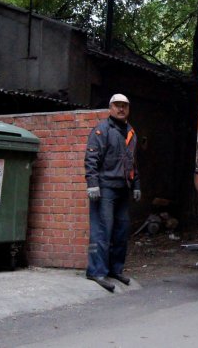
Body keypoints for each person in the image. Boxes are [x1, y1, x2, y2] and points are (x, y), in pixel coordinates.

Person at [84, 93, 141, 292]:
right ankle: (96, 271)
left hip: (123, 188)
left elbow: (133, 163)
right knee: (102, 230)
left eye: (124, 106)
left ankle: (115, 270)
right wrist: (92, 184)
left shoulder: (131, 132)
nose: (121, 109)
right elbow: (91, 159)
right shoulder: (101, 130)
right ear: (110, 108)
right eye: (117, 105)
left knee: (121, 232)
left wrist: (136, 185)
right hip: (105, 188)